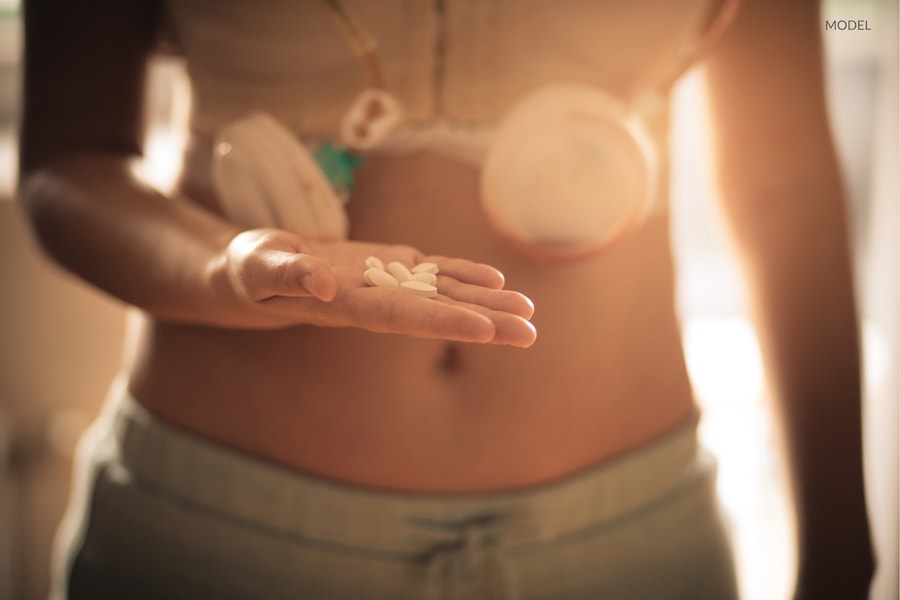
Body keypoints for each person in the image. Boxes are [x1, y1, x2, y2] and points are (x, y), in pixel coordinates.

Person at [20, 0, 874, 598]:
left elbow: (785, 181)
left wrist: (841, 549)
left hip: (626, 543)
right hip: (216, 544)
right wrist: (229, 265)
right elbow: (69, 159)